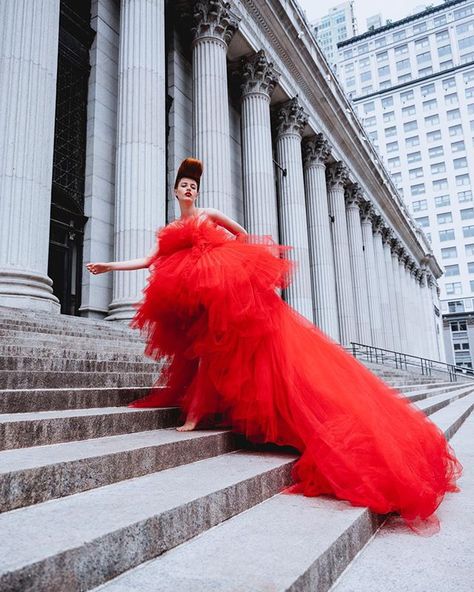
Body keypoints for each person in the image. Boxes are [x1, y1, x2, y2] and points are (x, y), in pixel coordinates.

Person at [87, 157, 461, 529]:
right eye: (184, 185)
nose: (189, 189)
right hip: (195, 301)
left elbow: (243, 234)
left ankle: (196, 414)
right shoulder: (170, 229)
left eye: (194, 186)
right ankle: (196, 412)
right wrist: (109, 267)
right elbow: (150, 260)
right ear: (175, 191)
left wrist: (219, 260)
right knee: (201, 354)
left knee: (221, 354)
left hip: (222, 295)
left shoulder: (209, 214)